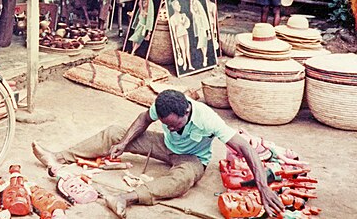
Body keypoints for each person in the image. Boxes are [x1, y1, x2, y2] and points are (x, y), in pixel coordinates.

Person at [32, 90, 285, 219]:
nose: (171, 128)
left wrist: (263, 187)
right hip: (164, 147)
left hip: (193, 159)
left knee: (182, 181)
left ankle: (125, 198)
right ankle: (58, 156)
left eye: (175, 125)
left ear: (187, 112)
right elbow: (144, 118)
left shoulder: (208, 119)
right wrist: (125, 143)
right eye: (167, 124)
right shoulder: (163, 107)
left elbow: (245, 148)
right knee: (114, 132)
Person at [167, 0, 193, 71]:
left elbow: (186, 24)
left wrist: (184, 18)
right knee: (183, 49)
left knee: (188, 48)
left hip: (185, 32)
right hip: (179, 34)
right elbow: (174, 32)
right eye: (177, 5)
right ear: (174, 7)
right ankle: (185, 63)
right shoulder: (172, 18)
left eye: (179, 5)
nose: (180, 6)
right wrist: (176, 43)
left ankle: (190, 64)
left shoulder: (182, 15)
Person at [189, 0, 211, 67]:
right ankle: (204, 57)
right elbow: (191, 10)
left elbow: (205, 20)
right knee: (201, 44)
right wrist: (191, 2)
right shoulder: (196, 14)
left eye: (195, 5)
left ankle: (205, 58)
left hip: (202, 29)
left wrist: (208, 32)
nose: (194, 7)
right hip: (199, 30)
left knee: (203, 43)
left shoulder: (200, 15)